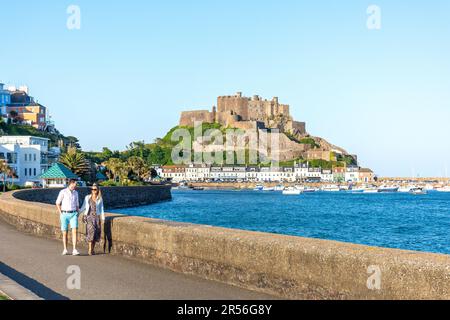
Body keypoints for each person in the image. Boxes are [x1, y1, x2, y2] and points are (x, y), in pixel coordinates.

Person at [56, 179, 80, 256]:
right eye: (74, 185)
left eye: (76, 185)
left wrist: (77, 212)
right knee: (65, 233)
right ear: (70, 184)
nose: (75, 186)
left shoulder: (76, 193)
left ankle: (74, 249)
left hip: (73, 214)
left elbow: (77, 204)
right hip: (64, 214)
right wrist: (61, 213)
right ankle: (65, 249)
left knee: (75, 231)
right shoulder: (63, 192)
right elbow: (57, 203)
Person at [80, 183, 105, 256]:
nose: (93, 190)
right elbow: (83, 207)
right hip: (89, 216)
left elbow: (102, 209)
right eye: (92, 189)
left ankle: (92, 249)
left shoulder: (100, 198)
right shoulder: (87, 197)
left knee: (95, 234)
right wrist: (78, 213)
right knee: (91, 232)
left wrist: (103, 218)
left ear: (97, 190)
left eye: (95, 189)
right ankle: (90, 249)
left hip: (96, 217)